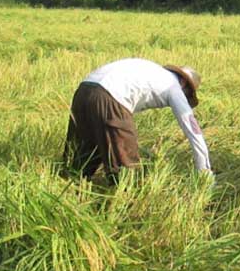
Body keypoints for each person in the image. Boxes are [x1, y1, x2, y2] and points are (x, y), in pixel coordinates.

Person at [63, 58, 212, 182]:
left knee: (82, 155)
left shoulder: (151, 70)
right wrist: (204, 170)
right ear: (184, 84)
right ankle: (124, 205)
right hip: (110, 96)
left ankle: (70, 188)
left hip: (84, 90)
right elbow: (193, 132)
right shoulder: (173, 87)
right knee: (125, 164)